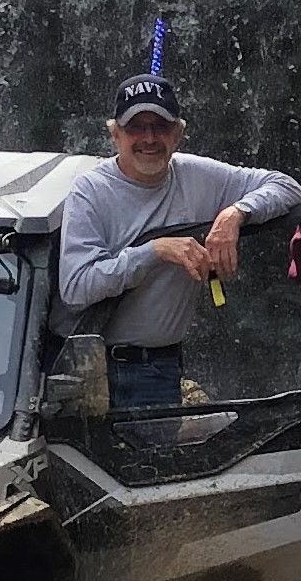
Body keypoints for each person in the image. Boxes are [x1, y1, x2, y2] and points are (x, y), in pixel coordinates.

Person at [50, 73, 301, 408]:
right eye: (136, 127)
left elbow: (287, 187)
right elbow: (76, 287)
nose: (149, 138)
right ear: (115, 135)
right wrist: (155, 251)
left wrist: (235, 214)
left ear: (178, 134)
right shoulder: (90, 191)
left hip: (160, 369)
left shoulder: (198, 176)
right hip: (90, 370)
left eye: (161, 126)